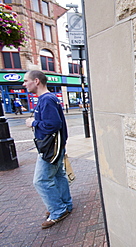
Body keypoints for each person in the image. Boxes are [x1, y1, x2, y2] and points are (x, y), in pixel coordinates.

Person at [23, 70, 72, 229]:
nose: (24, 84)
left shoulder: (46, 100)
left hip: (50, 149)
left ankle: (58, 210)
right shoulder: (48, 99)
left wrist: (33, 123)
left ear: (36, 81)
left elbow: (53, 124)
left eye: (26, 81)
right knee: (59, 176)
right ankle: (65, 204)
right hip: (55, 147)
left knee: (41, 181)